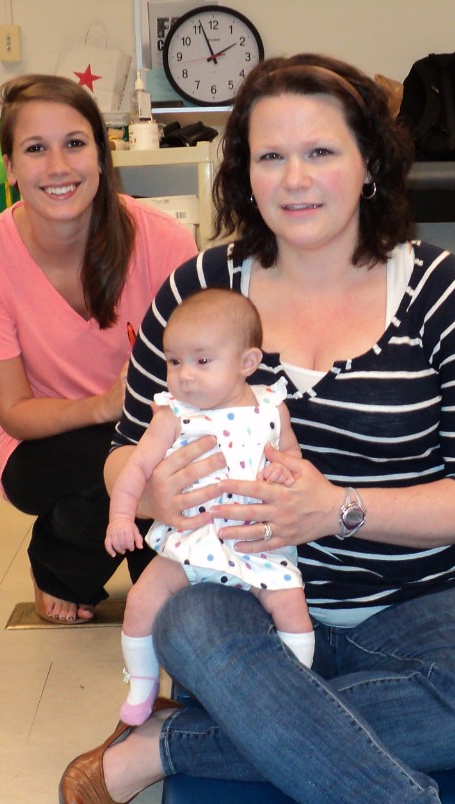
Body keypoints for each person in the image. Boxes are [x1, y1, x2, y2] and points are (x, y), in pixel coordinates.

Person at [59, 54, 455, 804]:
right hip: (236, 593)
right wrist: (151, 490)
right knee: (184, 628)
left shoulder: (449, 297)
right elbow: (121, 452)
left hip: (420, 597)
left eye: (321, 153)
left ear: (372, 162)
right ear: (242, 173)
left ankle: (173, 747)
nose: (294, 181)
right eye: (269, 158)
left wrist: (338, 510)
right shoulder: (198, 293)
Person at [0, 74, 198, 624]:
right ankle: (59, 565)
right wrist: (107, 406)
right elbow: (13, 413)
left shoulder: (165, 241)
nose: (58, 167)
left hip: (155, 436)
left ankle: (122, 559)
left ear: (102, 154)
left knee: (147, 477)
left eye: (75, 144)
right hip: (43, 447)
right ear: (10, 168)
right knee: (117, 465)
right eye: (35, 149)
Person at [105, 288, 315, 724]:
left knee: (292, 605)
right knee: (142, 601)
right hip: (191, 541)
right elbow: (136, 468)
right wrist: (122, 516)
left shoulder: (272, 408)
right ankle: (143, 684)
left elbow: (293, 458)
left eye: (202, 361)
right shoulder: (172, 415)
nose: (183, 376)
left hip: (258, 541)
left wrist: (284, 471)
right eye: (174, 361)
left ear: (247, 363)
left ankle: (299, 688)